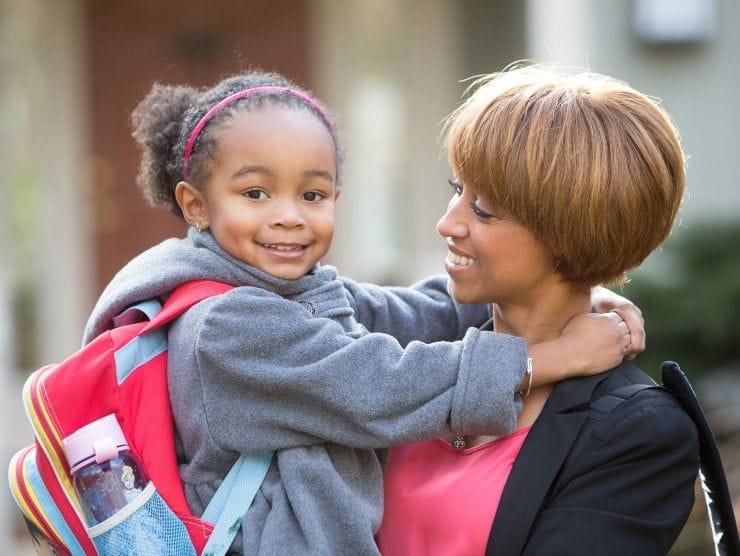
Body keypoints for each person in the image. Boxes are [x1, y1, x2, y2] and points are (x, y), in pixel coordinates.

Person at [83, 71, 641, 554]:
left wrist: (575, 288)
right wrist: (553, 357)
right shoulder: (226, 328)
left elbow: (415, 312)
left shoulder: (292, 295)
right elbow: (381, 386)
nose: (288, 217)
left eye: (312, 195)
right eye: (255, 194)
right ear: (195, 206)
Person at [377, 65, 699, 554]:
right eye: (456, 190)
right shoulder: (410, 351)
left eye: (482, 208)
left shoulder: (638, 434)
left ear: (569, 230)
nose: (447, 223)